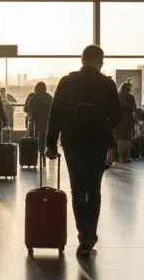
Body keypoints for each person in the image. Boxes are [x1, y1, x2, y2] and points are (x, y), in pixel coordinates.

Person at [46, 45, 122, 256]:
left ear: (82, 60)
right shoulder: (106, 84)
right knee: (94, 188)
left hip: (73, 141)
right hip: (97, 141)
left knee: (78, 189)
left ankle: (83, 237)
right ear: (100, 61)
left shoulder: (67, 82)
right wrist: (104, 128)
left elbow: (55, 115)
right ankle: (90, 234)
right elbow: (117, 115)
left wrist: (51, 143)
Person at [23, 82, 54, 157]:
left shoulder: (32, 97)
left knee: (32, 140)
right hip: (45, 124)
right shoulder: (50, 98)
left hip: (33, 124)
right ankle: (42, 155)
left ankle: (31, 157)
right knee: (42, 140)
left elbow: (26, 109)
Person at [114, 81, 138, 164]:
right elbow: (135, 109)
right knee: (127, 138)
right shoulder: (131, 97)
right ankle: (126, 157)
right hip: (128, 119)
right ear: (129, 89)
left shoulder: (117, 96)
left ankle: (120, 157)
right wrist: (137, 118)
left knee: (120, 139)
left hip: (118, 120)